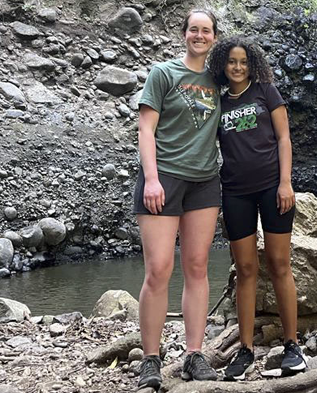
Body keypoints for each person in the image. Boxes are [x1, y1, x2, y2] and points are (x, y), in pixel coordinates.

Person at [208, 36, 307, 381]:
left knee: (280, 264)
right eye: (232, 62)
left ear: (253, 65)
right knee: (246, 269)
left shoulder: (266, 91)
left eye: (244, 62)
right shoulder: (219, 103)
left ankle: (293, 346)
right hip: (235, 192)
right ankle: (246, 350)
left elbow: (283, 138)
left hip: (271, 188)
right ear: (223, 65)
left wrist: (285, 182)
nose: (238, 67)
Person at [133, 9, 221, 389]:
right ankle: (150, 360)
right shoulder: (164, 73)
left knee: (198, 266)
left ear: (214, 37)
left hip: (205, 181)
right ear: (184, 34)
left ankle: (193, 354)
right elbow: (146, 127)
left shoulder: (220, 80)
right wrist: (151, 179)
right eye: (194, 30)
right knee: (159, 270)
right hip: (164, 177)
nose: (199, 36)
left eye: (206, 31)